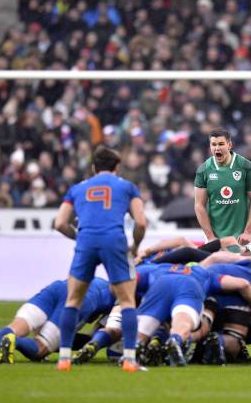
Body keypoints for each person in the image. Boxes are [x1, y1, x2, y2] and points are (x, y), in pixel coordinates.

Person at [54, 146, 147, 373]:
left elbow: (59, 223)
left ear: (94, 168)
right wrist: (135, 246)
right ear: (117, 168)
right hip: (114, 241)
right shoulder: (126, 187)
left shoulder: (77, 189)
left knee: (73, 300)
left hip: (86, 240)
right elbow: (141, 222)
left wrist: (79, 237)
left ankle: (64, 358)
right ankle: (128, 359)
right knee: (126, 302)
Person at [0, 277, 115, 364]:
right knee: (40, 348)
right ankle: (15, 342)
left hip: (58, 287)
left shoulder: (102, 281)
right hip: (81, 298)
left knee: (16, 326)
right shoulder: (119, 302)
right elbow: (96, 338)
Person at [194, 129, 251, 245]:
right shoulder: (204, 170)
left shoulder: (245, 166)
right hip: (214, 238)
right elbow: (199, 205)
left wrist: (247, 232)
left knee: (243, 263)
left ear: (229, 145)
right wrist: (210, 237)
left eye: (221, 144)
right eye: (213, 144)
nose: (217, 148)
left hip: (242, 238)